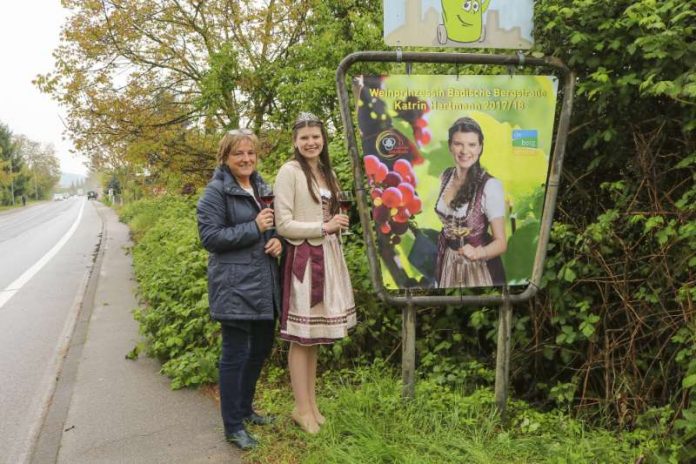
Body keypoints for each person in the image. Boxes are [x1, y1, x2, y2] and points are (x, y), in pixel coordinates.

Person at [196, 129, 282, 450]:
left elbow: (273, 225)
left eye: (251, 153)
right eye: (239, 154)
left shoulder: (262, 186)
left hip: (262, 282)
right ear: (225, 157)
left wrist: (277, 240)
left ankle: (246, 411)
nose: (246, 159)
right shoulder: (215, 193)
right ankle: (232, 426)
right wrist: (254, 228)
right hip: (234, 286)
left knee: (260, 348)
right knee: (234, 354)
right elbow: (211, 238)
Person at [274, 112, 356, 434]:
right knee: (302, 337)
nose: (311, 142)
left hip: (329, 256)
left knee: (315, 338)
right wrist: (324, 226)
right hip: (305, 259)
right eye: (304, 137)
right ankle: (300, 407)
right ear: (295, 141)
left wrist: (337, 223)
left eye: (316, 136)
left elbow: (333, 217)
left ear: (323, 139)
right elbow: (283, 224)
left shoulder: (326, 172)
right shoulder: (289, 172)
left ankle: (311, 405)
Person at [435, 116, 507, 288]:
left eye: (472, 144)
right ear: (450, 146)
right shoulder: (445, 176)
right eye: (459, 143)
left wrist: (478, 252)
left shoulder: (490, 186)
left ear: (480, 147)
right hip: (447, 261)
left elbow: (501, 243)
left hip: (477, 268)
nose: (464, 150)